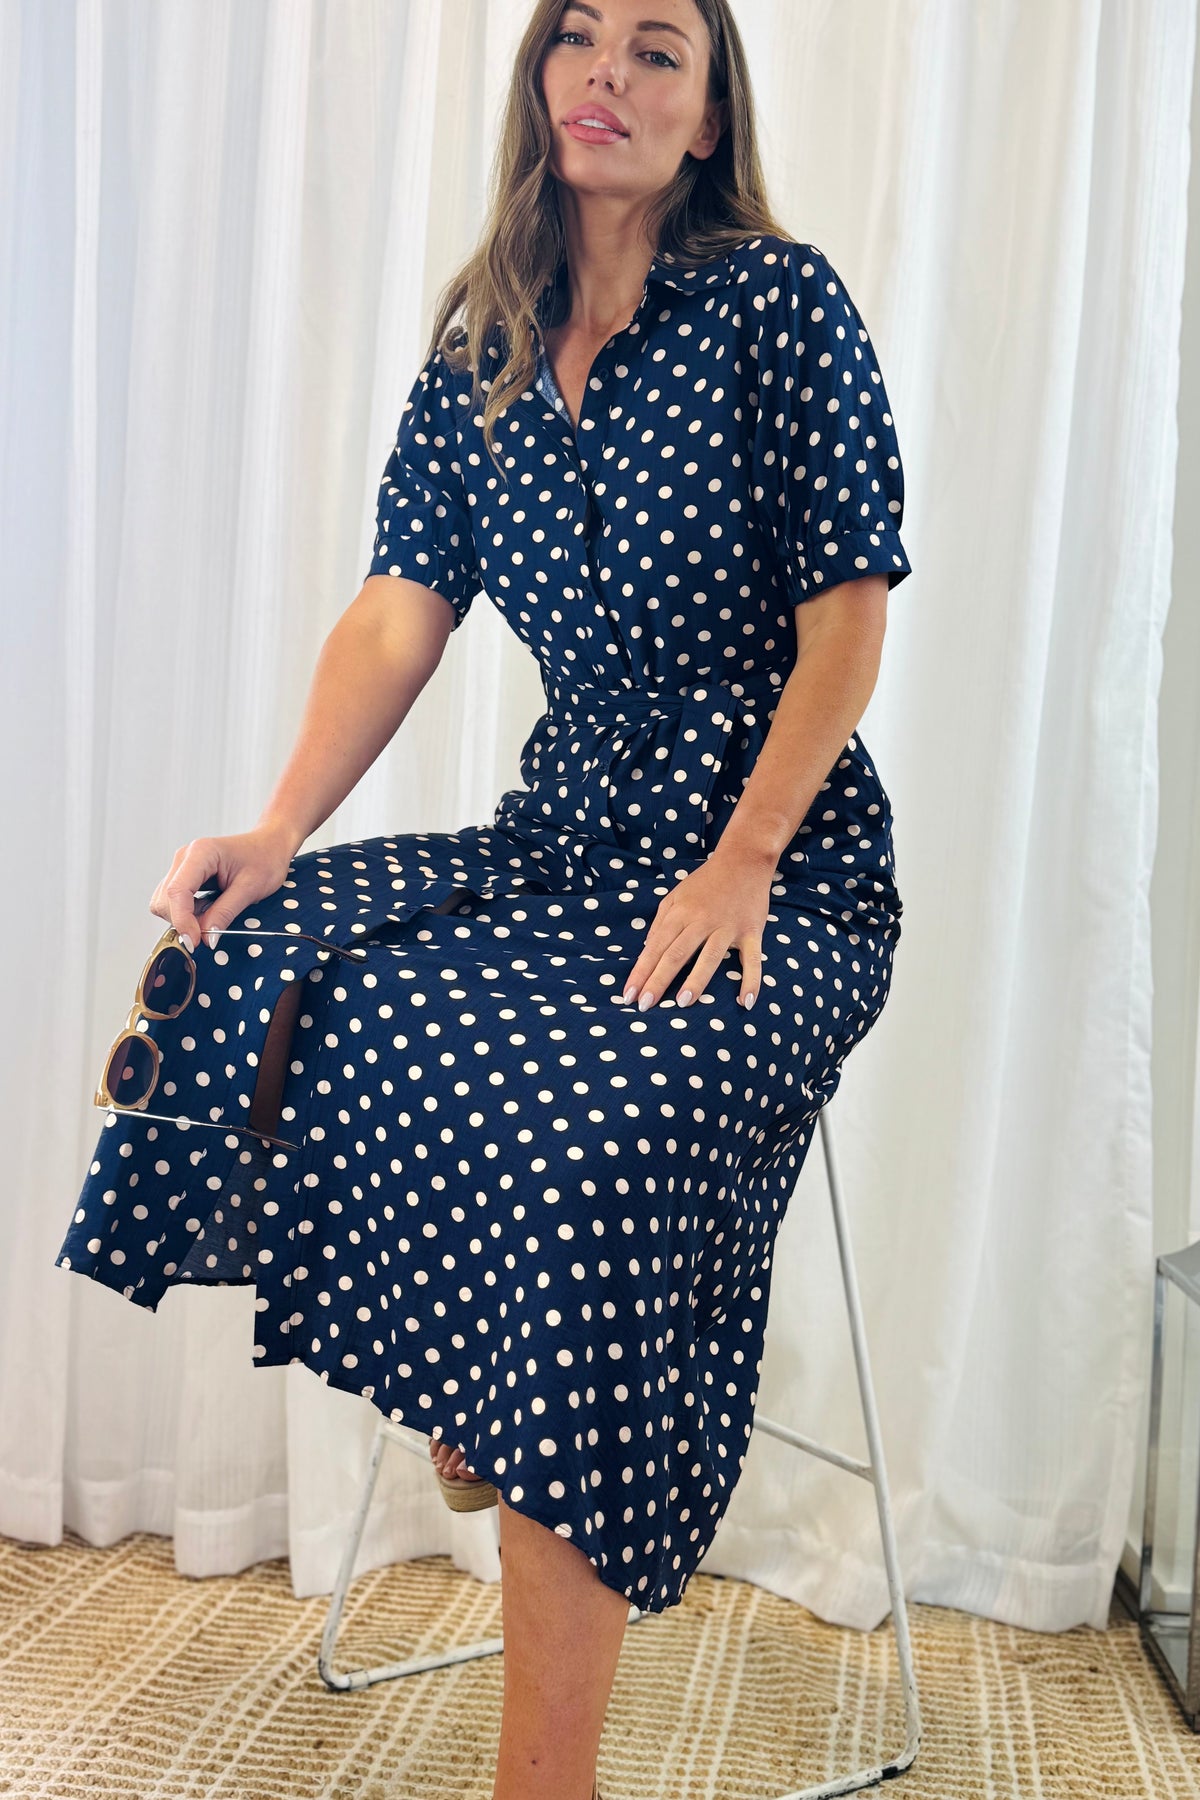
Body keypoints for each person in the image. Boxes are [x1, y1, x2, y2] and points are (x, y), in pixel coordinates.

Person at [55, 2, 913, 1796]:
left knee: (589, 1146)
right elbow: (401, 610)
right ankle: (486, 1395)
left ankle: (547, 1762)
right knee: (274, 955)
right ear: (541, 80)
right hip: (564, 846)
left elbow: (849, 617)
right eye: (579, 37)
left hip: (780, 874)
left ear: (707, 115)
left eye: (659, 50)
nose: (609, 74)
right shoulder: (483, 343)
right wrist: (277, 825)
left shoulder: (781, 305)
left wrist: (745, 858)